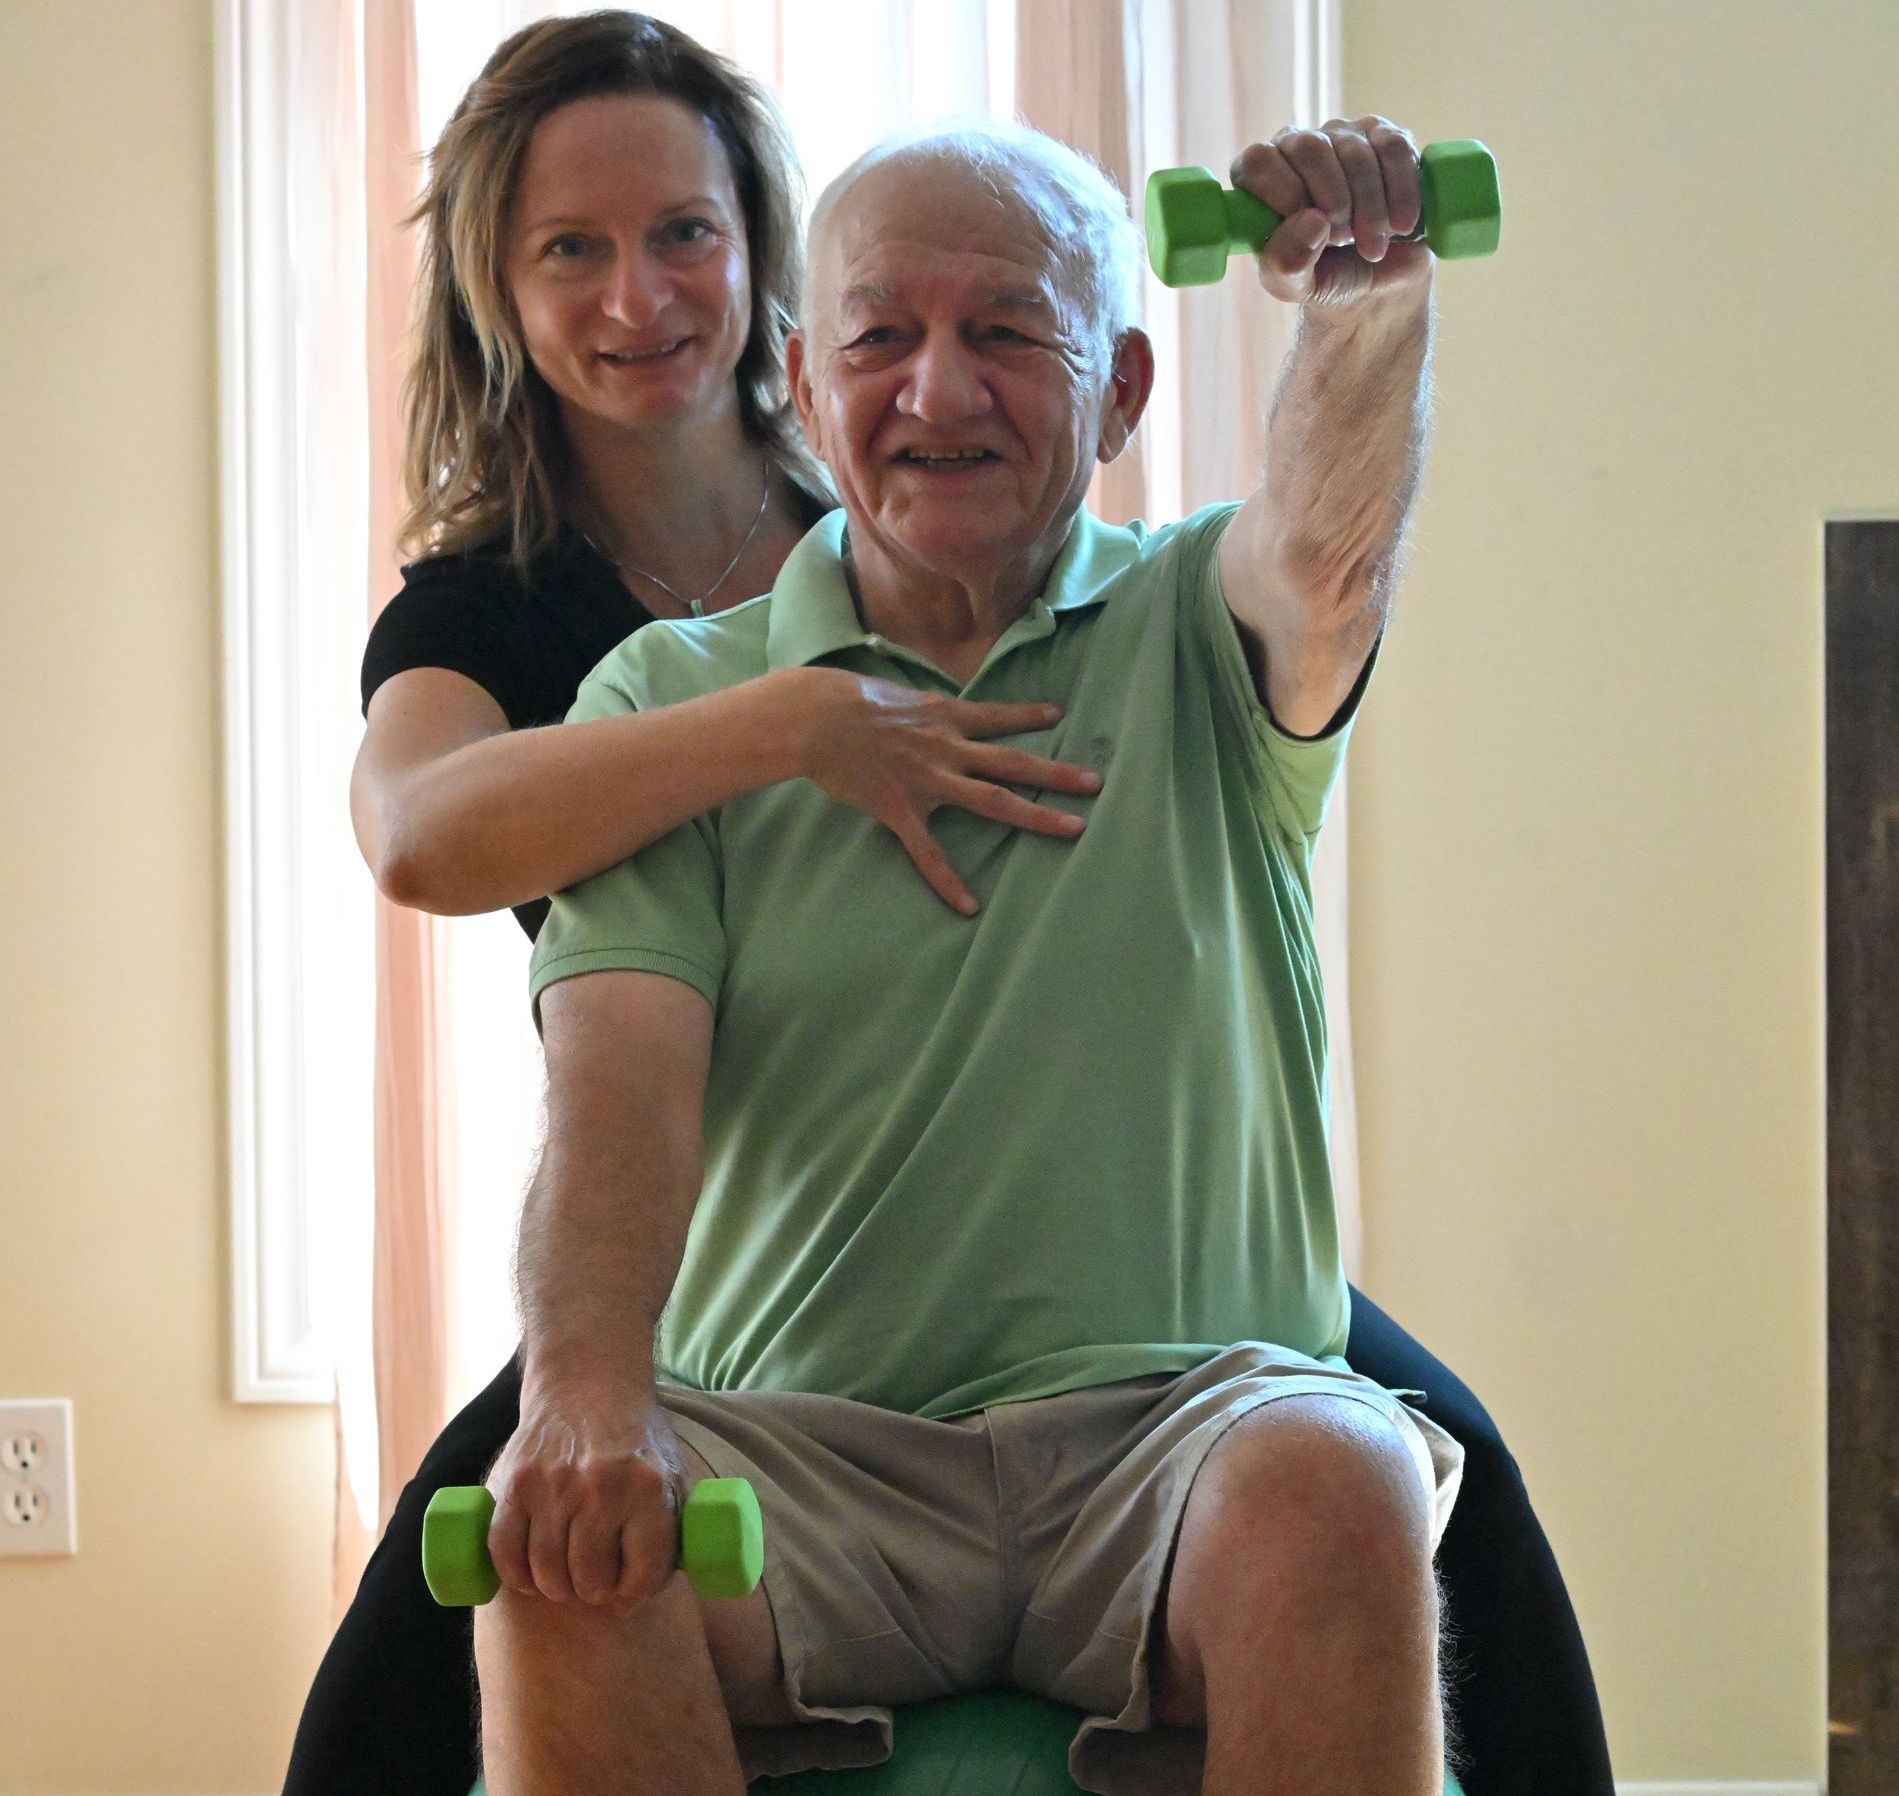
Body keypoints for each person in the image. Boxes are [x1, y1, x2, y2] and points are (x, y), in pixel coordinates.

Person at [282, 16, 1611, 1796]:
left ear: (1125, 392)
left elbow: (1330, 544)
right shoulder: (641, 682)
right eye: (886, 342)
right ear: (814, 383)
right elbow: (604, 1070)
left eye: (1007, 335)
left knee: (1355, 1469)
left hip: (1173, 1421)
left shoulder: (1194, 624)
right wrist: (586, 1392)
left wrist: (1363, 301)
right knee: (558, 1560)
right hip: (806, 1440)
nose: (938, 389)